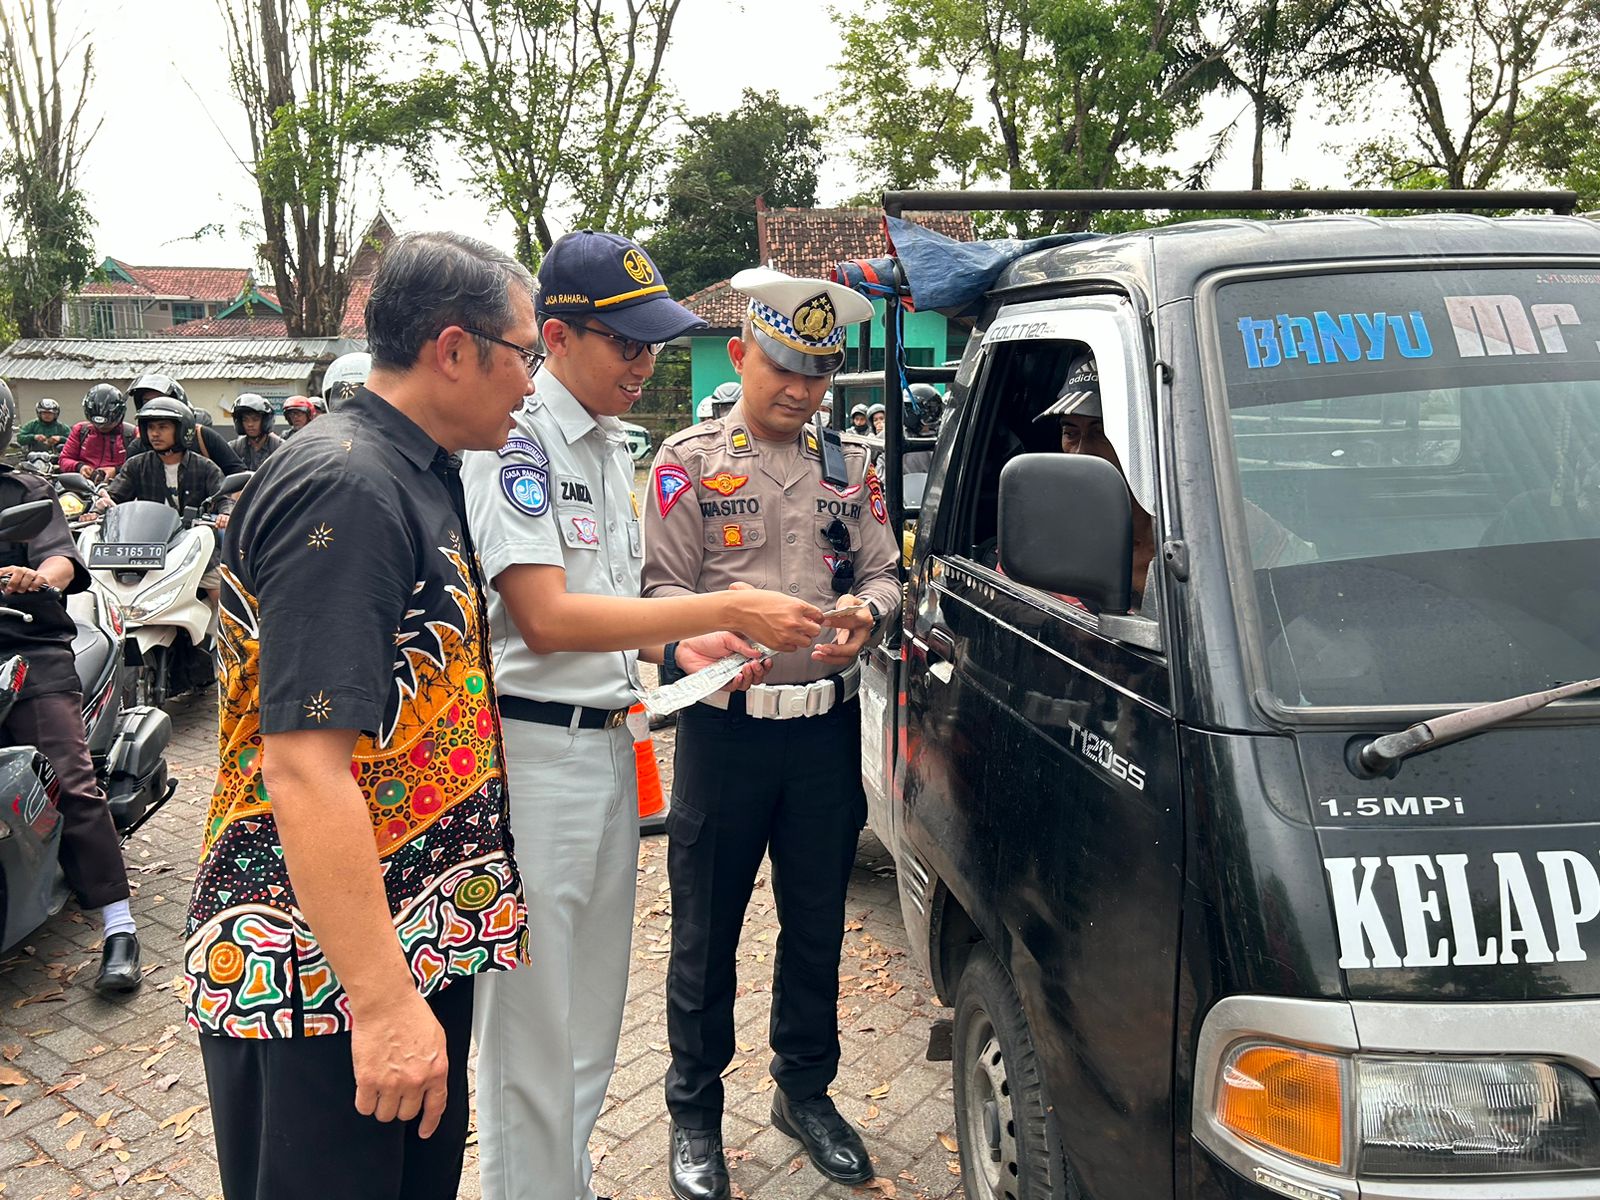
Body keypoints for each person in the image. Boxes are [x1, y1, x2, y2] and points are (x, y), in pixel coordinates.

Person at [461, 231, 829, 1200]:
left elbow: (611, 612)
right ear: (554, 335)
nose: (643, 362)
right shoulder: (518, 443)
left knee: (586, 1034)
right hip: (532, 760)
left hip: (611, 753)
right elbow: (541, 617)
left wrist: (681, 650)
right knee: (527, 1049)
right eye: (624, 343)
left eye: (652, 343)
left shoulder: (608, 444)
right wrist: (721, 608)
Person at [181, 232, 533, 1200]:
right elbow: (303, 765)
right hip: (324, 984)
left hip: (386, 958)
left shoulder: (416, 470)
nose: (531, 383)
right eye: (525, 355)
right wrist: (381, 1004)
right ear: (454, 350)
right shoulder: (351, 486)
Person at [643, 267, 901, 1200]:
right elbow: (657, 597)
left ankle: (804, 1092)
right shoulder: (685, 462)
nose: (800, 388)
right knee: (706, 935)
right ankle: (694, 1115)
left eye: (819, 373)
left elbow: (884, 571)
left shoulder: (852, 468)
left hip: (823, 741)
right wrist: (689, 637)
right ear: (743, 353)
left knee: (816, 926)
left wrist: (869, 613)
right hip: (726, 737)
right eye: (785, 366)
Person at [0, 380, 141, 993]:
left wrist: (38, 575)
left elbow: (60, 556)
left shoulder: (23, 490)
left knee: (71, 777)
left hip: (27, 648)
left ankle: (119, 925)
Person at [128, 373, 246, 475]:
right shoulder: (138, 449)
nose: (155, 405)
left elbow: (238, 474)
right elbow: (121, 489)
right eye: (147, 401)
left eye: (163, 427)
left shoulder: (203, 438)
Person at [59, 385, 135, 482]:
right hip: (81, 485)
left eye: (107, 426)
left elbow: (140, 465)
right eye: (97, 425)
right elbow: (64, 459)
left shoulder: (131, 433)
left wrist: (117, 470)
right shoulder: (80, 430)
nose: (102, 429)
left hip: (119, 486)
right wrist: (79, 467)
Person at [228, 394, 284, 470]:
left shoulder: (280, 448)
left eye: (255, 419)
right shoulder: (234, 448)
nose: (250, 424)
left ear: (265, 421)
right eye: (245, 420)